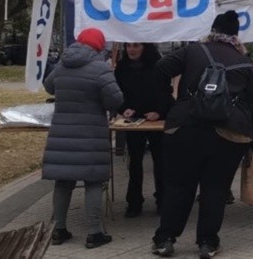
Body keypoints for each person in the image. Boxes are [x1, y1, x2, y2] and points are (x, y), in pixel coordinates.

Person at [151, 11, 253, 259]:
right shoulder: (245, 63)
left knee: (179, 186)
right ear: (236, 35)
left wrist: (170, 106)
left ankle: (165, 239)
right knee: (216, 188)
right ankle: (207, 242)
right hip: (228, 133)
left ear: (213, 30)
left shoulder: (193, 51)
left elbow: (160, 68)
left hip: (185, 127)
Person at [43, 28, 123, 249]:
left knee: (63, 181)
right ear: (99, 46)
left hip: (62, 133)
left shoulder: (61, 64)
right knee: (93, 181)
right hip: (90, 135)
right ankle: (94, 233)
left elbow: (49, 86)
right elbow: (115, 100)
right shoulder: (100, 68)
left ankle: (58, 230)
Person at [114, 42, 164, 218]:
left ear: (145, 48)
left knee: (160, 162)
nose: (131, 50)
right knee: (134, 162)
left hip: (155, 120)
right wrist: (123, 109)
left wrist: (159, 111)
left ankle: (162, 201)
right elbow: (117, 92)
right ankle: (134, 202)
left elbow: (166, 91)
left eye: (136, 46)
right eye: (128, 46)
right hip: (133, 120)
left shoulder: (158, 65)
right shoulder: (121, 67)